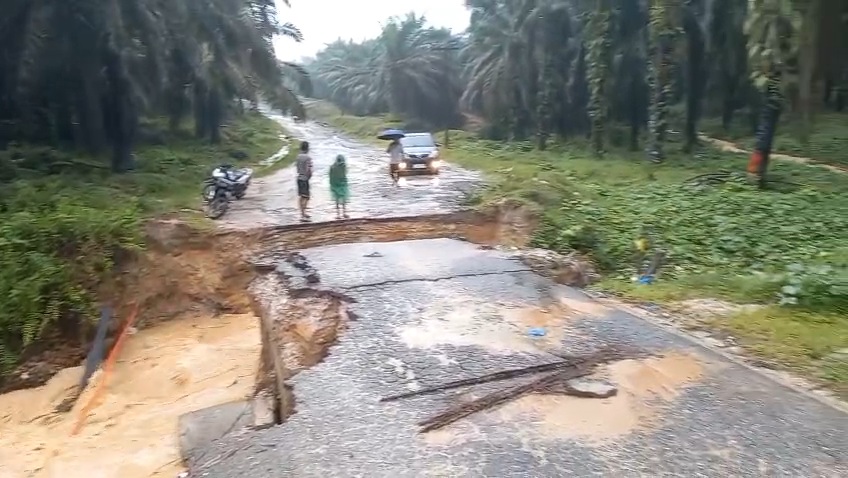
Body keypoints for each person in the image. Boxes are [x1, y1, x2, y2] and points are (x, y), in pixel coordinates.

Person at [295, 141, 313, 222]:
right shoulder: (307, 158)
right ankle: (303, 216)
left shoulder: (298, 157)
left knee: (301, 197)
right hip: (305, 179)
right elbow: (308, 169)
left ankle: (302, 213)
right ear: (307, 148)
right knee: (306, 197)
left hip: (299, 177)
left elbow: (297, 167)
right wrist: (309, 176)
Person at [329, 154, 350, 219]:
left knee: (337, 200)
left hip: (335, 184)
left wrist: (331, 184)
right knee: (344, 199)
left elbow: (330, 176)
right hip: (342, 184)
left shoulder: (332, 167)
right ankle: (344, 213)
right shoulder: (343, 166)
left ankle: (338, 214)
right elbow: (344, 174)